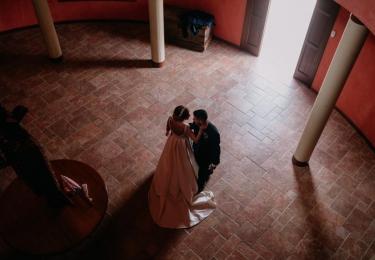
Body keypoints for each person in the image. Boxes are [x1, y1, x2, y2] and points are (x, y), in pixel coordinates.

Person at [148, 105, 216, 229]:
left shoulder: (170, 119)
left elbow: (168, 127)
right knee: (183, 165)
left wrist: (168, 132)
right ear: (184, 117)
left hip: (172, 142)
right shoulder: (185, 128)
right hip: (181, 147)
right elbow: (195, 140)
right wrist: (200, 130)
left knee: (169, 162)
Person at [190, 109, 220, 193]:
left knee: (202, 174)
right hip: (197, 151)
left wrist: (214, 162)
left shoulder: (213, 132)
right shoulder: (197, 124)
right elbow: (192, 126)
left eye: (194, 119)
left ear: (200, 120)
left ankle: (199, 188)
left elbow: (216, 149)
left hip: (205, 158)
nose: (193, 120)